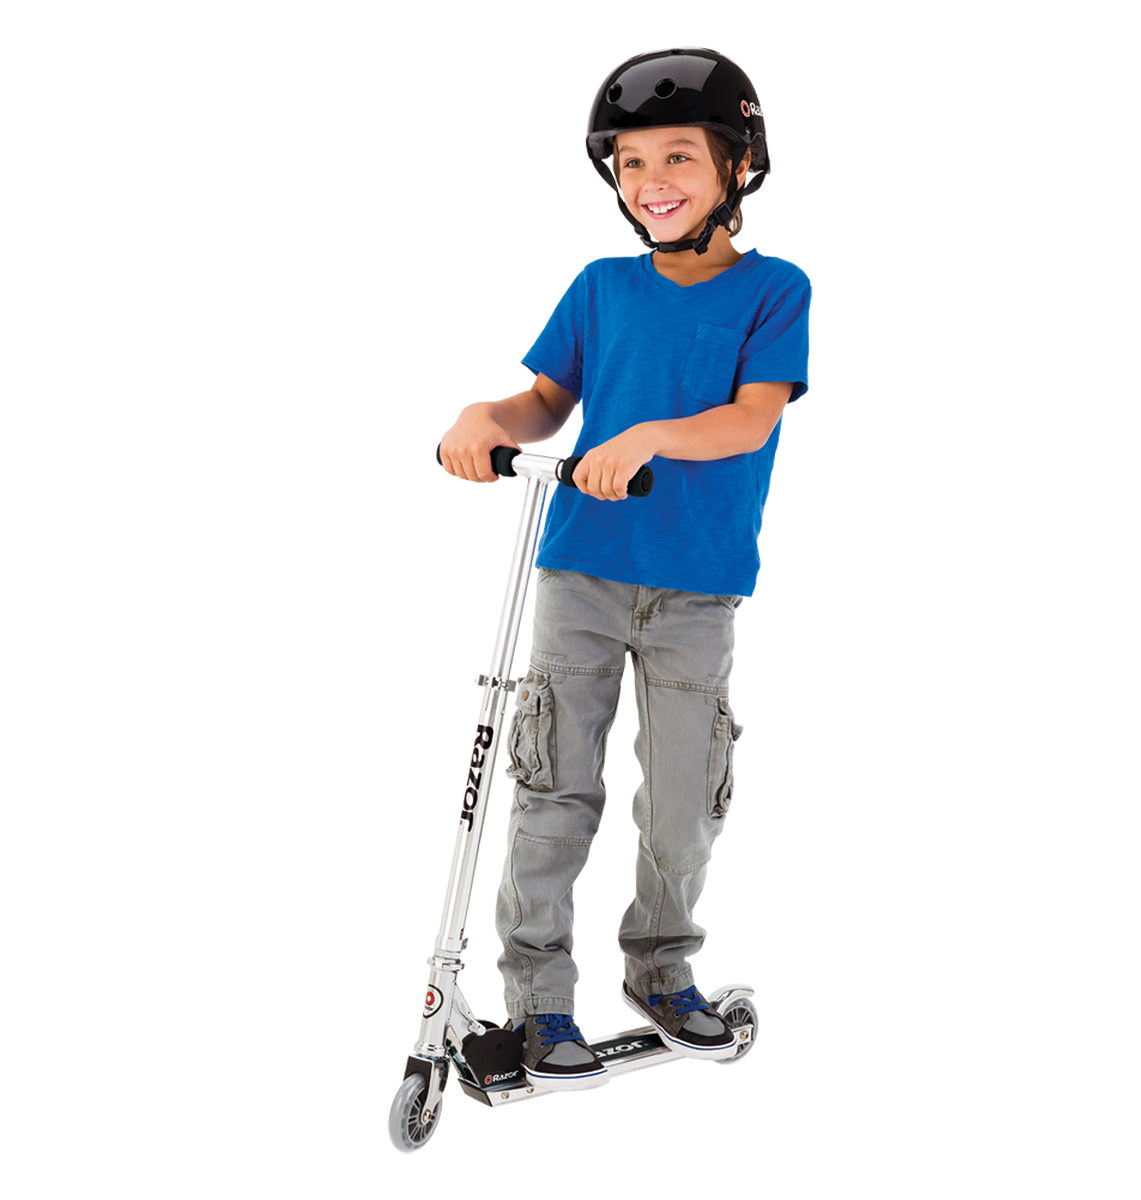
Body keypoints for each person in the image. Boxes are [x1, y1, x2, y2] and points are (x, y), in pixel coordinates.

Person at [438, 48, 811, 1091]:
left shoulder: (775, 290)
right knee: (554, 790)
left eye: (678, 156)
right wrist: (485, 417)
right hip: (582, 571)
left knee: (684, 800)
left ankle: (660, 968)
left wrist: (647, 436)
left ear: (738, 166)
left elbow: (750, 419)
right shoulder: (601, 289)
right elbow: (542, 404)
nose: (652, 180)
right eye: (632, 161)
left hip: (698, 583)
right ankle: (539, 999)